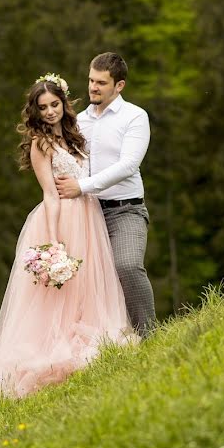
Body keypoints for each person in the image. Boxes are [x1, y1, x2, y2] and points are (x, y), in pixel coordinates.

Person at [0, 74, 137, 398]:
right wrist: (53, 244)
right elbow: (50, 195)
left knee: (90, 285)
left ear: (64, 104)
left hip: (89, 214)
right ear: (35, 112)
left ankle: (96, 337)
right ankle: (54, 355)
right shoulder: (42, 144)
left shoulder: (74, 135)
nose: (50, 111)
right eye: (43, 107)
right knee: (60, 294)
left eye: (54, 104)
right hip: (64, 217)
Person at [55, 52, 155, 336]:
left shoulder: (135, 117)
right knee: (87, 280)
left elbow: (128, 165)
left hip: (126, 209)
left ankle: (148, 335)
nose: (93, 87)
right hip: (88, 212)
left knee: (127, 265)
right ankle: (104, 342)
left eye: (101, 82)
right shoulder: (78, 121)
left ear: (119, 85)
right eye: (90, 80)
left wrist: (82, 187)